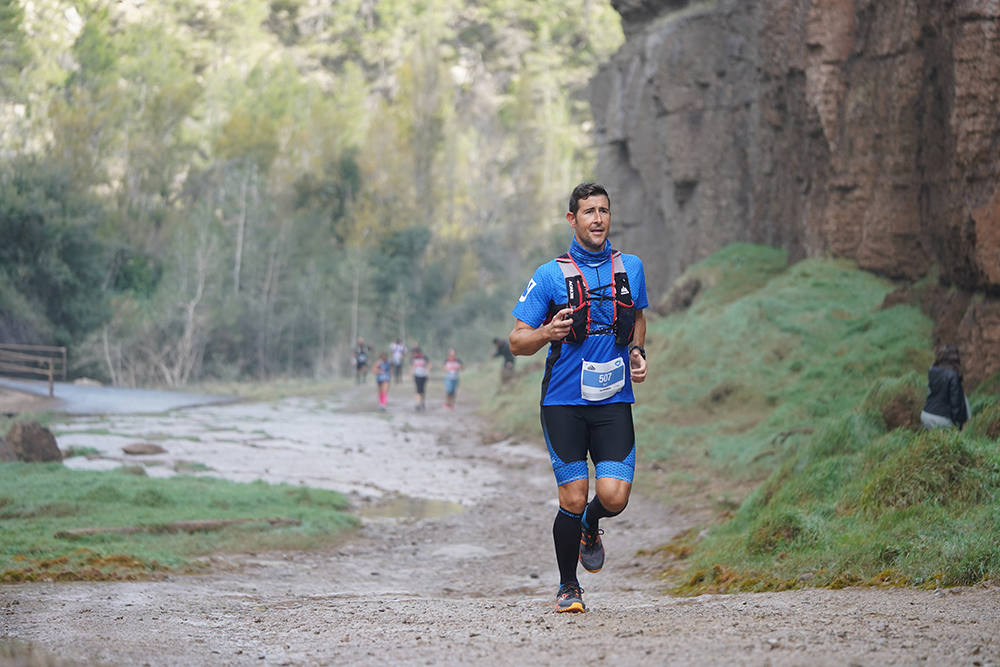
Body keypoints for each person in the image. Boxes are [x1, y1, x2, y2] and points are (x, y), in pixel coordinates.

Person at [509, 182, 648, 614]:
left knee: (614, 497)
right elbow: (516, 341)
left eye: (604, 211)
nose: (598, 219)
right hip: (563, 402)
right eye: (588, 211)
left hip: (612, 401)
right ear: (573, 219)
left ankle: (592, 523)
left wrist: (638, 352)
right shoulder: (550, 274)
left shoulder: (632, 268)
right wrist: (546, 333)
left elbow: (638, 318)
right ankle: (569, 587)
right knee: (572, 494)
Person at [921, 343, 969, 430]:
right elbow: (956, 403)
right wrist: (958, 425)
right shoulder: (953, 375)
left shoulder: (932, 370)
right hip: (941, 419)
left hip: (926, 414)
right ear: (955, 357)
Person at [411, 346, 430, 411]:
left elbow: (428, 365)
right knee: (418, 390)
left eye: (415, 353)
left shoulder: (425, 358)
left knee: (422, 390)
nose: (414, 354)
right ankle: (417, 404)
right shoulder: (414, 358)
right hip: (417, 375)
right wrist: (412, 373)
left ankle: (422, 402)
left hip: (423, 376)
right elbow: (413, 366)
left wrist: (427, 372)